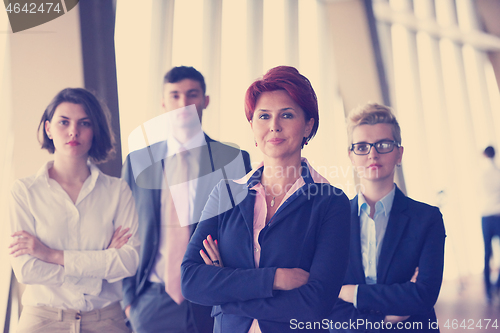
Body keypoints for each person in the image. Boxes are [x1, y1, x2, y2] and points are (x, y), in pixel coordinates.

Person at [181, 66, 351, 333]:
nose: (274, 126)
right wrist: (275, 278)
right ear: (252, 125)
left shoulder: (331, 202)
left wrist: (225, 292)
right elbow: (191, 280)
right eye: (263, 116)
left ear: (308, 125)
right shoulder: (225, 193)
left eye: (287, 115)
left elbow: (316, 303)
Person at [122, 66, 252, 333]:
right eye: (175, 96)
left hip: (212, 296)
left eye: (192, 94)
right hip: (151, 300)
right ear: (163, 103)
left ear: (205, 101)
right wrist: (129, 301)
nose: (183, 104)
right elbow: (124, 231)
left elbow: (244, 231)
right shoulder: (137, 162)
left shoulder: (235, 160)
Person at [9, 88, 140, 333]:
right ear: (48, 128)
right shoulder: (24, 191)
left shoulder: (118, 191)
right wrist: (99, 268)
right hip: (42, 320)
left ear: (95, 130)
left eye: (84, 123)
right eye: (64, 122)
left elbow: (129, 261)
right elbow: (26, 270)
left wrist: (51, 255)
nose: (73, 131)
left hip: (106, 321)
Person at [329, 103, 446, 332]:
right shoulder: (331, 220)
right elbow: (325, 299)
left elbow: (423, 295)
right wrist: (383, 320)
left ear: (399, 153)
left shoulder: (427, 219)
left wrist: (351, 292)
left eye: (383, 144)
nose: (372, 154)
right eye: (362, 146)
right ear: (351, 156)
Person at [480, 146, 500, 302]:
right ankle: (496, 285)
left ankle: (488, 290)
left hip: (487, 216)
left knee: (487, 254)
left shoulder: (481, 174)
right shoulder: (497, 172)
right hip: (497, 215)